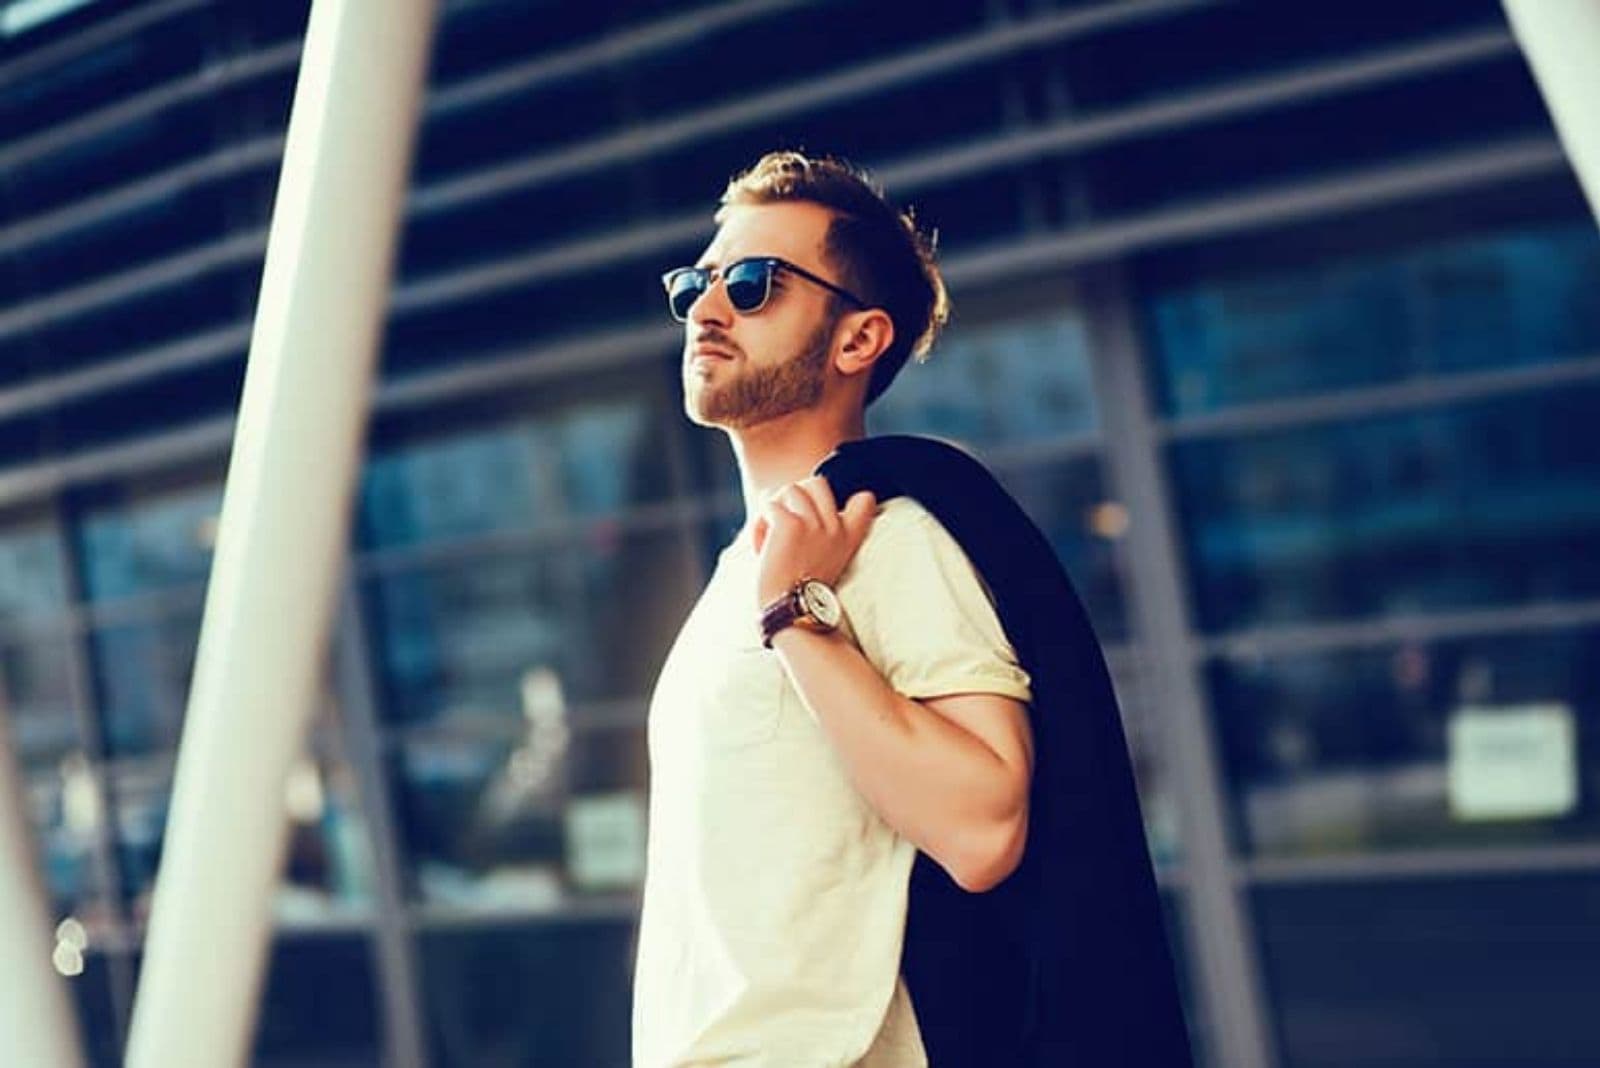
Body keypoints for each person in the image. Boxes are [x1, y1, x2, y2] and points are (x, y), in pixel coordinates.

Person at [630, 151, 1190, 1067]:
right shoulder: (747, 571)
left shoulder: (887, 540)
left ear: (857, 341)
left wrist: (796, 621)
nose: (707, 306)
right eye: (696, 282)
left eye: (753, 283)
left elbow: (983, 826)